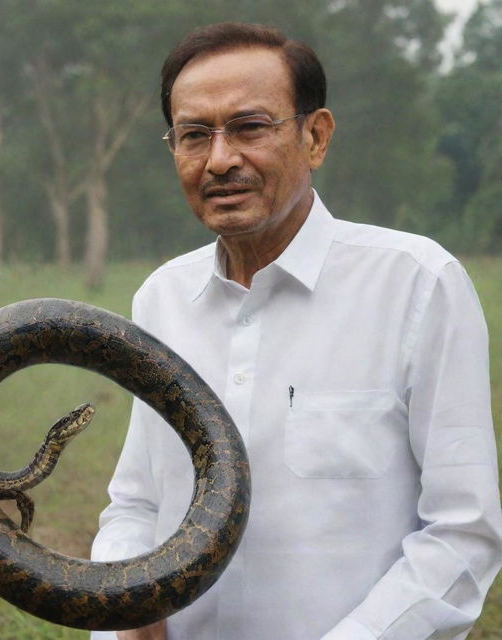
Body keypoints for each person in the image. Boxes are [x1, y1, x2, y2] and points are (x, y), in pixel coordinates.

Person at [90, 22, 502, 640]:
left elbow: (462, 534)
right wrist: (124, 606)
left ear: (315, 137)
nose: (220, 159)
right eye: (194, 135)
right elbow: (139, 503)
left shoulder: (417, 283)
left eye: (250, 127)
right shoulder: (162, 299)